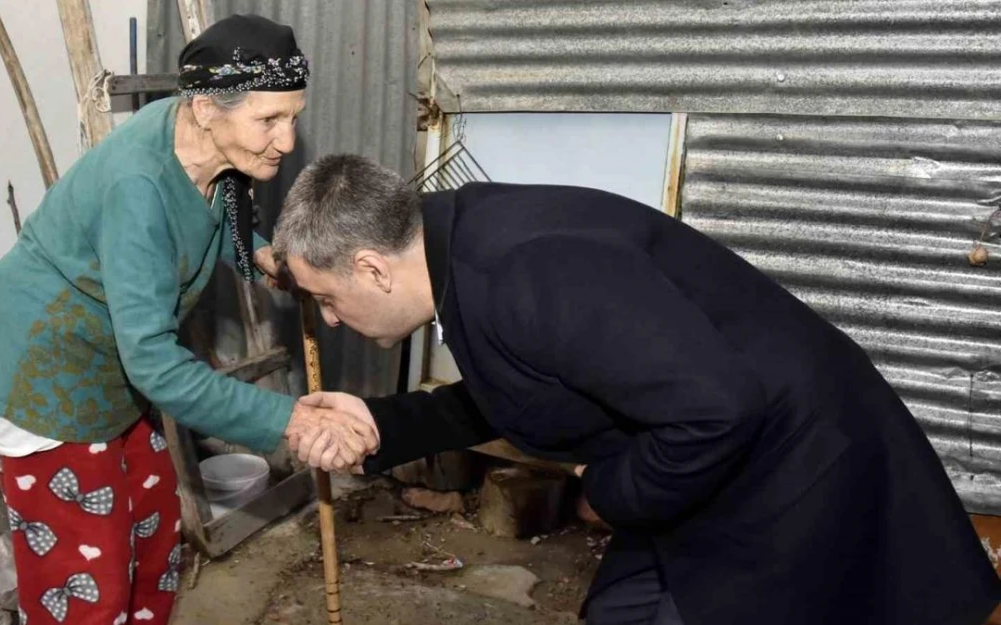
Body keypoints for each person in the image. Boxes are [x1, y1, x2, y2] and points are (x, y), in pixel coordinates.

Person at [274, 154, 1001, 625]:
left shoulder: (525, 272)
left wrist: (605, 490)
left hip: (790, 463)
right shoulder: (457, 250)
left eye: (328, 298)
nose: (331, 319)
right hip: (708, 453)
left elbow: (721, 409)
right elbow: (526, 384)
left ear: (372, 267)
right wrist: (381, 421)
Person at [0, 16, 376, 625]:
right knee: (87, 586)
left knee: (153, 541)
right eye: (269, 120)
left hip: (112, 374)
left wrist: (258, 255)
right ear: (207, 107)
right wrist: (287, 419)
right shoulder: (139, 186)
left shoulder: (203, 147)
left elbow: (206, 217)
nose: (286, 141)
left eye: (293, 117)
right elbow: (153, 359)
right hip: (45, 381)